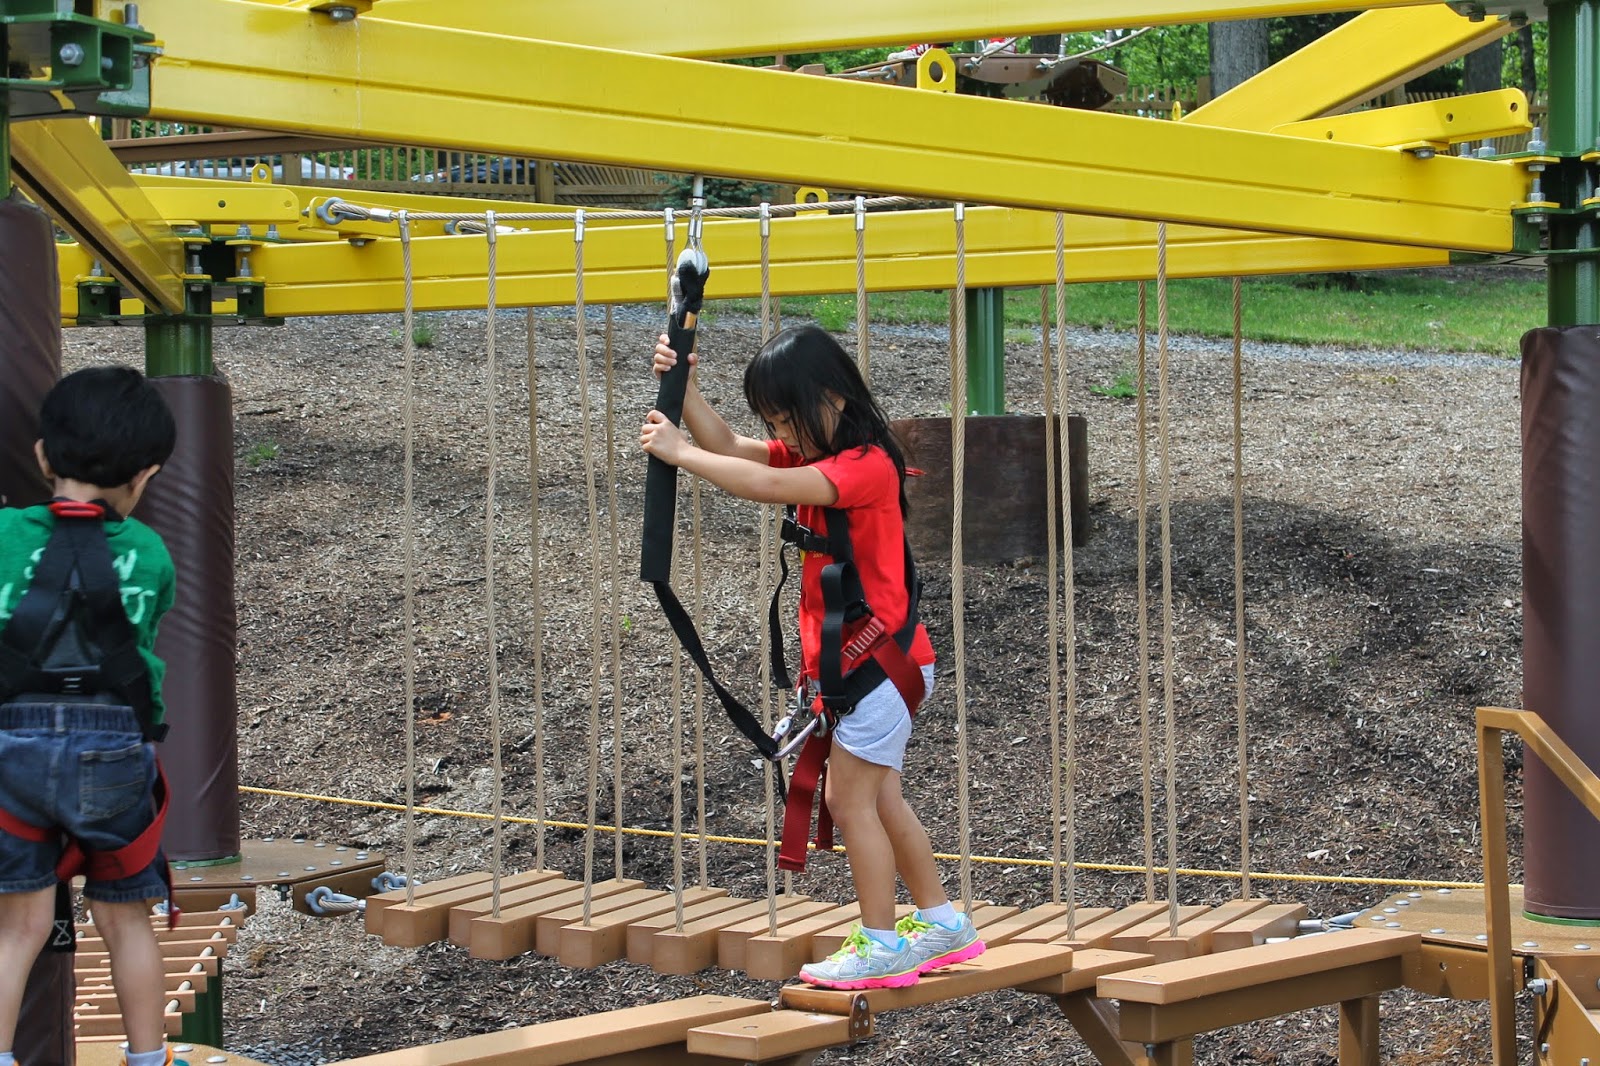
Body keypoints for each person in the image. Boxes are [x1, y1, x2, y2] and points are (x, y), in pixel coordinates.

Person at [641, 324, 984, 990]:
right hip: (873, 666)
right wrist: (684, 390)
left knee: (848, 798)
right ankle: (942, 923)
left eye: (786, 418)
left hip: (879, 666)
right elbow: (732, 447)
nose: (782, 434)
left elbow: (752, 482)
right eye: (774, 422)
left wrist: (680, 456)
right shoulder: (823, 453)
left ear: (829, 397)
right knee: (883, 800)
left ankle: (881, 942)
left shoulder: (863, 466)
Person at [0, 366, 177, 1066]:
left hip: (11, 746)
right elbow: (145, 641)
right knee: (125, 920)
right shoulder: (150, 553)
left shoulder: (5, 535)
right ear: (147, 476)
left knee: (17, 926)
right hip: (109, 750)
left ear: (43, 457)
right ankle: (147, 1058)